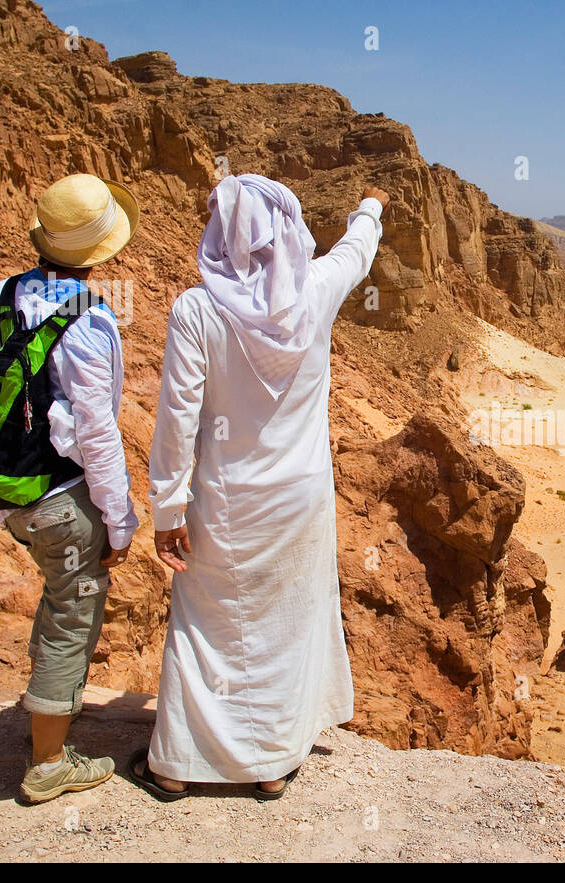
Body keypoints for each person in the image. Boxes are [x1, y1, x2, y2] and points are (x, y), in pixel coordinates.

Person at [129, 174, 387, 801]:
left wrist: (167, 506)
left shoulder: (198, 309)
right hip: (301, 500)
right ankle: (270, 763)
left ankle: (176, 764)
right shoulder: (315, 291)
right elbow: (355, 251)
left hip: (225, 501)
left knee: (207, 624)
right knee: (285, 624)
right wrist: (371, 206)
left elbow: (177, 419)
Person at [0, 172, 140, 803]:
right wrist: (121, 520)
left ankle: (43, 717)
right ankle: (48, 761)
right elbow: (98, 433)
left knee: (57, 602)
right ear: (103, 249)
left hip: (10, 495)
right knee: (73, 613)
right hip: (63, 499)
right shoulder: (90, 322)